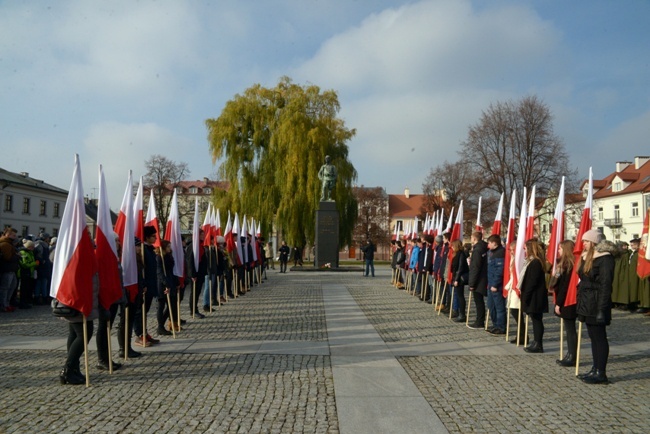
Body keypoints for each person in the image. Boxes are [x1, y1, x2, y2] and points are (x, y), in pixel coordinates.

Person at [576, 229, 616, 384]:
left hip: (597, 301)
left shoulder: (605, 258)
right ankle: (595, 368)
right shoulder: (587, 256)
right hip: (587, 301)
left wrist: (601, 308)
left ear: (593, 242)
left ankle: (601, 372)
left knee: (599, 337)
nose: (583, 243)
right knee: (593, 337)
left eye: (586, 241)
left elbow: (606, 284)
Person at [519, 239, 549, 353]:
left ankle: (538, 343)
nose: (524, 250)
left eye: (526, 248)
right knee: (535, 319)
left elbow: (532, 281)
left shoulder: (536, 262)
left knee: (537, 319)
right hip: (533, 295)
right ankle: (536, 341)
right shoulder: (531, 261)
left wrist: (526, 296)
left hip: (535, 296)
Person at [134, 226, 160, 346]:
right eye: (153, 236)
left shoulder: (150, 249)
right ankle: (139, 335)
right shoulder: (142, 249)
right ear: (147, 237)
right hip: (144, 285)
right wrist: (143, 284)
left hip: (151, 284)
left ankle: (144, 332)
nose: (155, 238)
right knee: (140, 312)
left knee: (145, 311)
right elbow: (141, 269)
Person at [552, 239, 577, 366]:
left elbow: (564, 286)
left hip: (568, 300)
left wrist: (558, 303)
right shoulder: (563, 264)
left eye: (560, 249)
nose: (558, 251)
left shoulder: (567, 265)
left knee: (570, 329)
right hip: (565, 299)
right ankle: (569, 353)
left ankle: (572, 355)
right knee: (569, 329)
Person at [486, 234, 506, 335]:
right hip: (490, 283)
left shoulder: (500, 253)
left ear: (495, 243)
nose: (488, 244)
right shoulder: (490, 252)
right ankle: (495, 325)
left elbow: (499, 271)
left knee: (499, 307)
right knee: (490, 305)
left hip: (496, 286)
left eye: (489, 243)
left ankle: (501, 327)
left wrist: (494, 284)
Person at [467, 231, 488, 329]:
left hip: (479, 279)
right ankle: (480, 320)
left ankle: (480, 321)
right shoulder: (483, 247)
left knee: (478, 301)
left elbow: (475, 267)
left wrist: (471, 283)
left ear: (474, 238)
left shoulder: (477, 250)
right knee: (480, 301)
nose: (470, 238)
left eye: (471, 237)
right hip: (482, 278)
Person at [0, 228, 20, 312]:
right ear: (7, 234)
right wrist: (17, 256)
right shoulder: (5, 244)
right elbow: (8, 257)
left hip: (11, 269)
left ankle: (7, 304)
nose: (15, 237)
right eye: (13, 235)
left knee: (12, 287)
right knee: (5, 288)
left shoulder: (9, 243)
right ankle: (4, 305)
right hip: (7, 269)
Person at [450, 239, 469, 322]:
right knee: (458, 295)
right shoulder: (457, 254)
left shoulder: (461, 254)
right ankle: (459, 313)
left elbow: (460, 268)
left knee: (460, 296)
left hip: (460, 278)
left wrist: (456, 279)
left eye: (453, 246)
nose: (452, 247)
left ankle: (462, 315)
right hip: (456, 277)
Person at [18, 239, 38, 308]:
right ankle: (22, 303)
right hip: (25, 272)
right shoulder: (23, 253)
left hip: (30, 273)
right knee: (24, 288)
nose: (33, 248)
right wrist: (34, 263)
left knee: (28, 288)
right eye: (31, 247)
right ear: (28, 247)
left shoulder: (30, 253)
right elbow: (25, 264)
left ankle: (26, 302)